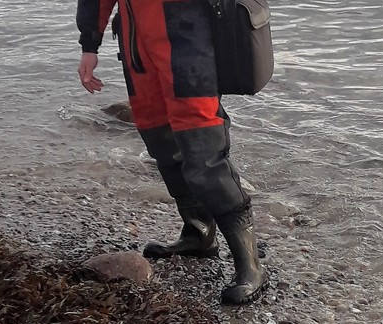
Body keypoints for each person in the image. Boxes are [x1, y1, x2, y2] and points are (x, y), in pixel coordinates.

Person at [76, 0, 268, 305]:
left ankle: (250, 264)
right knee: (161, 143)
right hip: (136, 44)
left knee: (204, 154)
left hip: (189, 39)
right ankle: (198, 232)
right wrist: (90, 43)